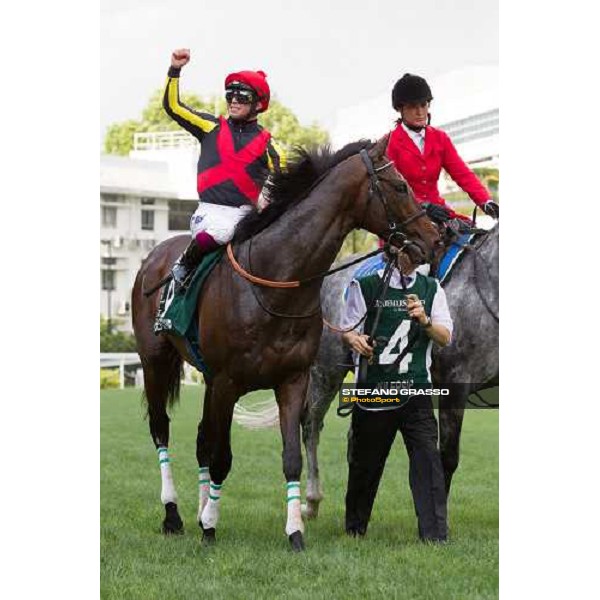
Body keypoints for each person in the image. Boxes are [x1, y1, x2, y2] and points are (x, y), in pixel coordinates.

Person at [341, 248, 453, 542]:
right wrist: (356, 339)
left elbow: (445, 337)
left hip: (416, 388)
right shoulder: (364, 285)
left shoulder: (431, 288)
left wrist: (426, 321)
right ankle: (355, 528)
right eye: (411, 248)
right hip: (376, 389)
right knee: (366, 463)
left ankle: (435, 536)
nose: (419, 254)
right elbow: (348, 330)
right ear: (395, 249)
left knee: (428, 460)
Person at [163, 48, 286, 289]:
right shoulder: (210, 126)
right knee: (223, 231)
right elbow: (173, 106)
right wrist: (175, 70)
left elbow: (284, 183)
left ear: (258, 103)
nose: (234, 101)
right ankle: (186, 263)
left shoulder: (270, 145)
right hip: (210, 214)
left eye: (242, 96)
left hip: (246, 217)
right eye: (230, 95)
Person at [386, 73, 499, 227]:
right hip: (406, 218)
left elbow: (463, 174)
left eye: (423, 105)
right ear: (400, 109)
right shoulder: (389, 144)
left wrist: (486, 202)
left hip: (439, 212)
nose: (420, 112)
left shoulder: (440, 138)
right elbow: (392, 190)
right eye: (413, 107)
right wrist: (423, 206)